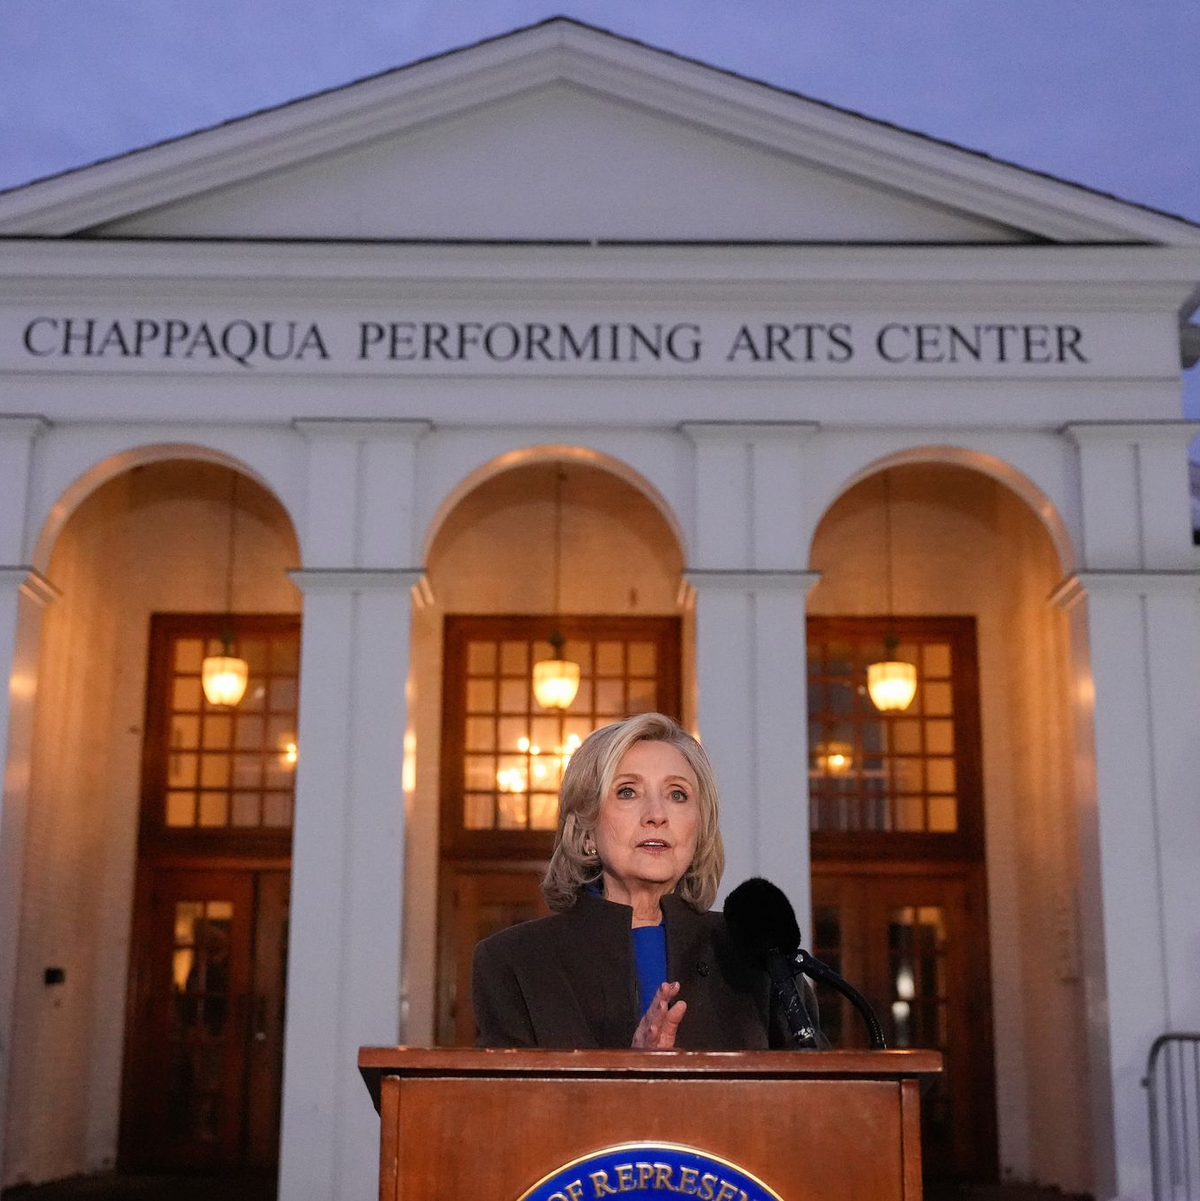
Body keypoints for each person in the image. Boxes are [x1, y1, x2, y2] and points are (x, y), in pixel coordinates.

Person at [471, 712, 818, 1050]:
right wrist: (632, 1069)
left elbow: (813, 1080)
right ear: (586, 831)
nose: (656, 815)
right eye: (627, 792)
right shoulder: (514, 960)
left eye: (677, 794)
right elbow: (511, 1091)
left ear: (699, 829)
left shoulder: (757, 953)